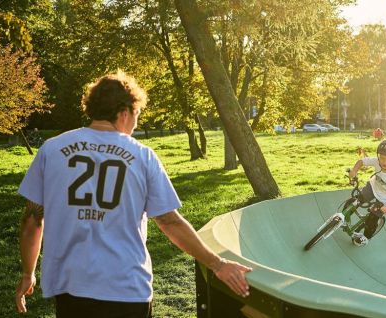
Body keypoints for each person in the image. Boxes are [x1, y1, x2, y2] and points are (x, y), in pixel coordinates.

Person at [15, 71, 252, 317]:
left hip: (71, 289)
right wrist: (218, 264)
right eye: (137, 115)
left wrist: (27, 273)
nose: (136, 124)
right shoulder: (143, 156)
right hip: (126, 289)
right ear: (124, 112)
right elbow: (169, 221)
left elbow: (32, 220)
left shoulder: (51, 150)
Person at [347, 139, 386, 246]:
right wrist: (354, 170)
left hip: (384, 198)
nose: (384, 162)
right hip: (372, 187)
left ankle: (366, 237)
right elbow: (361, 161)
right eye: (382, 158)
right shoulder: (377, 161)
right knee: (356, 200)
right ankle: (345, 217)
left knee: (372, 219)